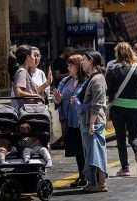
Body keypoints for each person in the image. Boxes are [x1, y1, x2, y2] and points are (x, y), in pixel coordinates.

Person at [106, 43, 137, 177]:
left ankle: (125, 168)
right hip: (136, 106)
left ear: (117, 53)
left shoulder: (113, 68)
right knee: (135, 135)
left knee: (120, 137)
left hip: (118, 106)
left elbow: (108, 89)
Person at [53, 54, 89, 187]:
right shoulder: (65, 81)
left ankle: (90, 175)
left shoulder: (86, 81)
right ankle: (82, 175)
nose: (68, 67)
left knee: (86, 149)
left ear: (78, 66)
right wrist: (57, 98)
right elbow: (59, 100)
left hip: (84, 120)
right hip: (70, 120)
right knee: (78, 151)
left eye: (70, 65)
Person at [78, 50, 108, 193]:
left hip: (94, 122)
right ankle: (93, 182)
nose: (82, 62)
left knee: (95, 153)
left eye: (84, 59)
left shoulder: (98, 79)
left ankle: (99, 183)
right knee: (91, 152)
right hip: (88, 120)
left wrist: (91, 124)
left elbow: (97, 103)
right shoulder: (91, 78)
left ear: (91, 61)